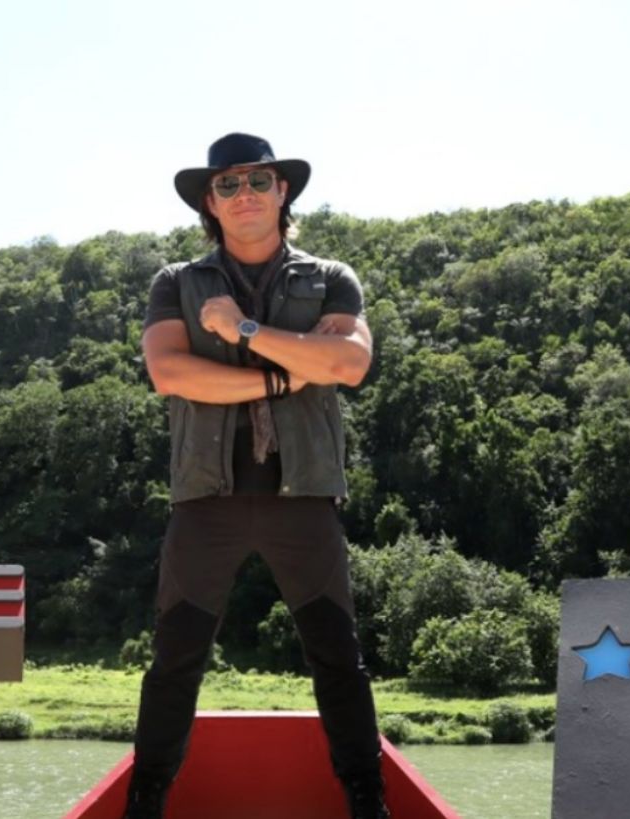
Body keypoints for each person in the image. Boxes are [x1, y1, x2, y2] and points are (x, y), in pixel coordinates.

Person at [125, 133, 389, 819]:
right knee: (175, 663)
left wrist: (243, 330)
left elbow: (349, 365)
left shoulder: (331, 277)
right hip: (205, 497)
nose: (245, 193)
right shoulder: (176, 283)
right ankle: (143, 803)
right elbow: (170, 373)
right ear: (209, 203)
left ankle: (369, 802)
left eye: (259, 180)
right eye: (228, 184)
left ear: (283, 191)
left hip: (303, 495)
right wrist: (284, 375)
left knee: (338, 659)